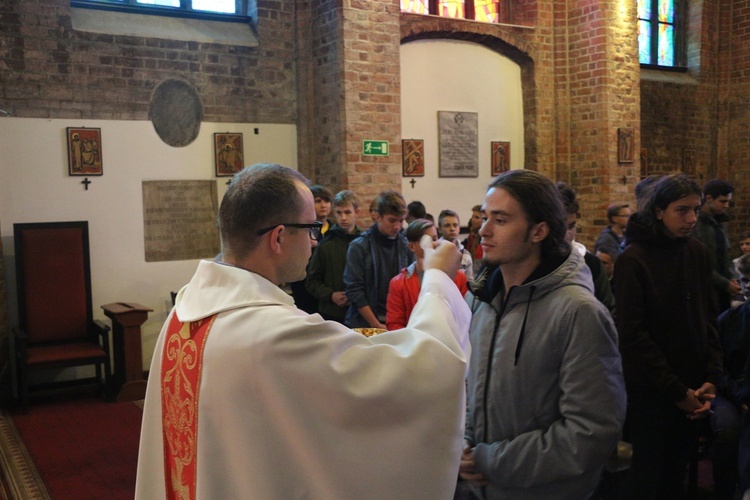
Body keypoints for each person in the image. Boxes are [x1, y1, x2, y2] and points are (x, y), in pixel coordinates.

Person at [135, 164, 472, 499]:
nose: (315, 240)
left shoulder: (183, 315)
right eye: (312, 227)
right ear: (279, 237)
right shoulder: (272, 335)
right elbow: (422, 370)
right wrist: (437, 280)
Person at [459, 170, 625, 499]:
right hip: (481, 488)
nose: (484, 230)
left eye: (501, 220)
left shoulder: (578, 312)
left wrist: (491, 460)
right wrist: (461, 440)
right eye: (485, 216)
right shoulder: (479, 300)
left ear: (538, 231)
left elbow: (590, 433)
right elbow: (468, 386)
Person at [614, 174, 723, 498]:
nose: (691, 219)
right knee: (648, 475)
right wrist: (677, 391)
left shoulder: (698, 252)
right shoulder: (633, 258)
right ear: (659, 211)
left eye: (696, 210)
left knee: (677, 474)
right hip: (653, 388)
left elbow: (708, 318)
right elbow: (633, 335)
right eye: (682, 210)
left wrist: (712, 376)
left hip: (694, 385)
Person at [344, 190, 415, 328]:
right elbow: (354, 290)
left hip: (397, 320)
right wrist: (375, 324)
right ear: (378, 217)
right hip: (365, 322)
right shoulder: (359, 246)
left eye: (401, 221)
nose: (397, 226)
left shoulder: (406, 245)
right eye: (392, 220)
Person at [386, 218, 469, 330]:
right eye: (425, 240)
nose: (433, 245)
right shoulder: (398, 283)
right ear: (412, 247)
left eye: (435, 239)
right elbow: (394, 324)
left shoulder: (458, 277)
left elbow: (466, 317)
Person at [556, 181, 616, 318]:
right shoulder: (533, 263)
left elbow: (609, 312)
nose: (567, 234)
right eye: (561, 227)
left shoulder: (591, 264)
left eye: (571, 226)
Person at [305, 190, 363, 322]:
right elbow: (312, 281)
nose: (343, 218)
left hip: (361, 311)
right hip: (331, 312)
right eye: (339, 213)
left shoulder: (365, 243)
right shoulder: (326, 244)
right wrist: (331, 295)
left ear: (357, 213)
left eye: (347, 212)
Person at [694, 178, 740, 313]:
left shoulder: (719, 222)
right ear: (708, 198)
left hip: (722, 288)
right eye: (722, 201)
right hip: (705, 288)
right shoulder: (696, 225)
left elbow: (726, 253)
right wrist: (725, 283)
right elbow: (699, 263)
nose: (726, 206)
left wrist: (732, 278)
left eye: (728, 202)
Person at [289, 184, 335, 313]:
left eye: (327, 201)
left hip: (328, 289)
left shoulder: (335, 231)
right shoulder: (304, 230)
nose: (323, 205)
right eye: (318, 201)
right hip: (305, 287)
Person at [438, 209, 474, 280]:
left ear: (459, 228)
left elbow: (469, 282)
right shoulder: (434, 251)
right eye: (447, 225)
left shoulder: (465, 254)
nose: (452, 229)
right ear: (440, 229)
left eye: (455, 225)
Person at [462, 204, 484, 277]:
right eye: (473, 216)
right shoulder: (471, 238)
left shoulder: (486, 240)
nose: (473, 220)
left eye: (477, 217)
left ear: (484, 220)